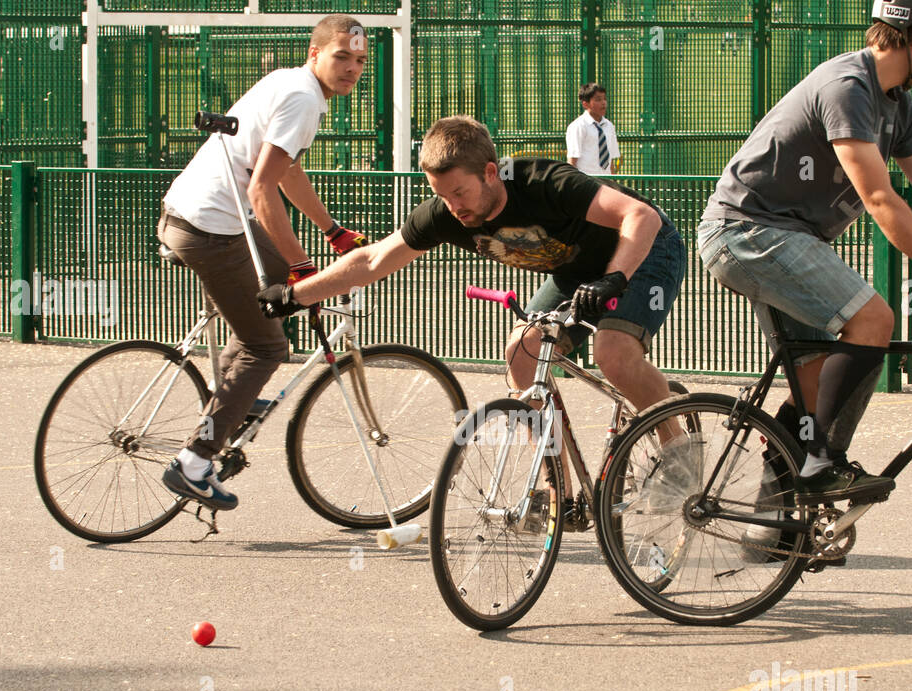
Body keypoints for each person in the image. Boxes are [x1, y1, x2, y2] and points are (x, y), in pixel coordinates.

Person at [259, 115, 687, 526]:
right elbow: (371, 261)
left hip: (643, 250)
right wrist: (294, 294)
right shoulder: (446, 213)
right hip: (577, 273)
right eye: (442, 195)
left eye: (459, 193)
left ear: (489, 172)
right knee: (522, 350)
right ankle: (558, 491)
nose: (453, 207)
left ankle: (680, 452)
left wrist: (615, 277)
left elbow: (640, 217)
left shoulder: (543, 183)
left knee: (613, 353)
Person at [696, 0, 912, 516]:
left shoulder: (899, 108)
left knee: (816, 393)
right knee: (873, 318)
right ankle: (818, 469)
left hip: (788, 238)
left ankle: (775, 520)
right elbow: (879, 199)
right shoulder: (848, 87)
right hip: (747, 231)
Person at [157, 14, 371, 511]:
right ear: (315, 53)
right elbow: (262, 189)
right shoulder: (303, 99)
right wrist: (301, 267)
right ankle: (194, 460)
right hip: (210, 229)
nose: (352, 69)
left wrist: (330, 230)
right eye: (342, 56)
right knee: (266, 346)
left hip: (193, 214)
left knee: (276, 289)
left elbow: (285, 170)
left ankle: (229, 400)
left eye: (360, 60)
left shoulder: (290, 83)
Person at [565, 83, 621, 175]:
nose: (603, 103)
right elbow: (572, 160)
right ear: (585, 104)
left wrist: (613, 181)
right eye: (598, 99)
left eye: (604, 99)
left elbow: (610, 160)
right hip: (586, 182)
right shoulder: (578, 126)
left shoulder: (609, 126)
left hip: (605, 182)